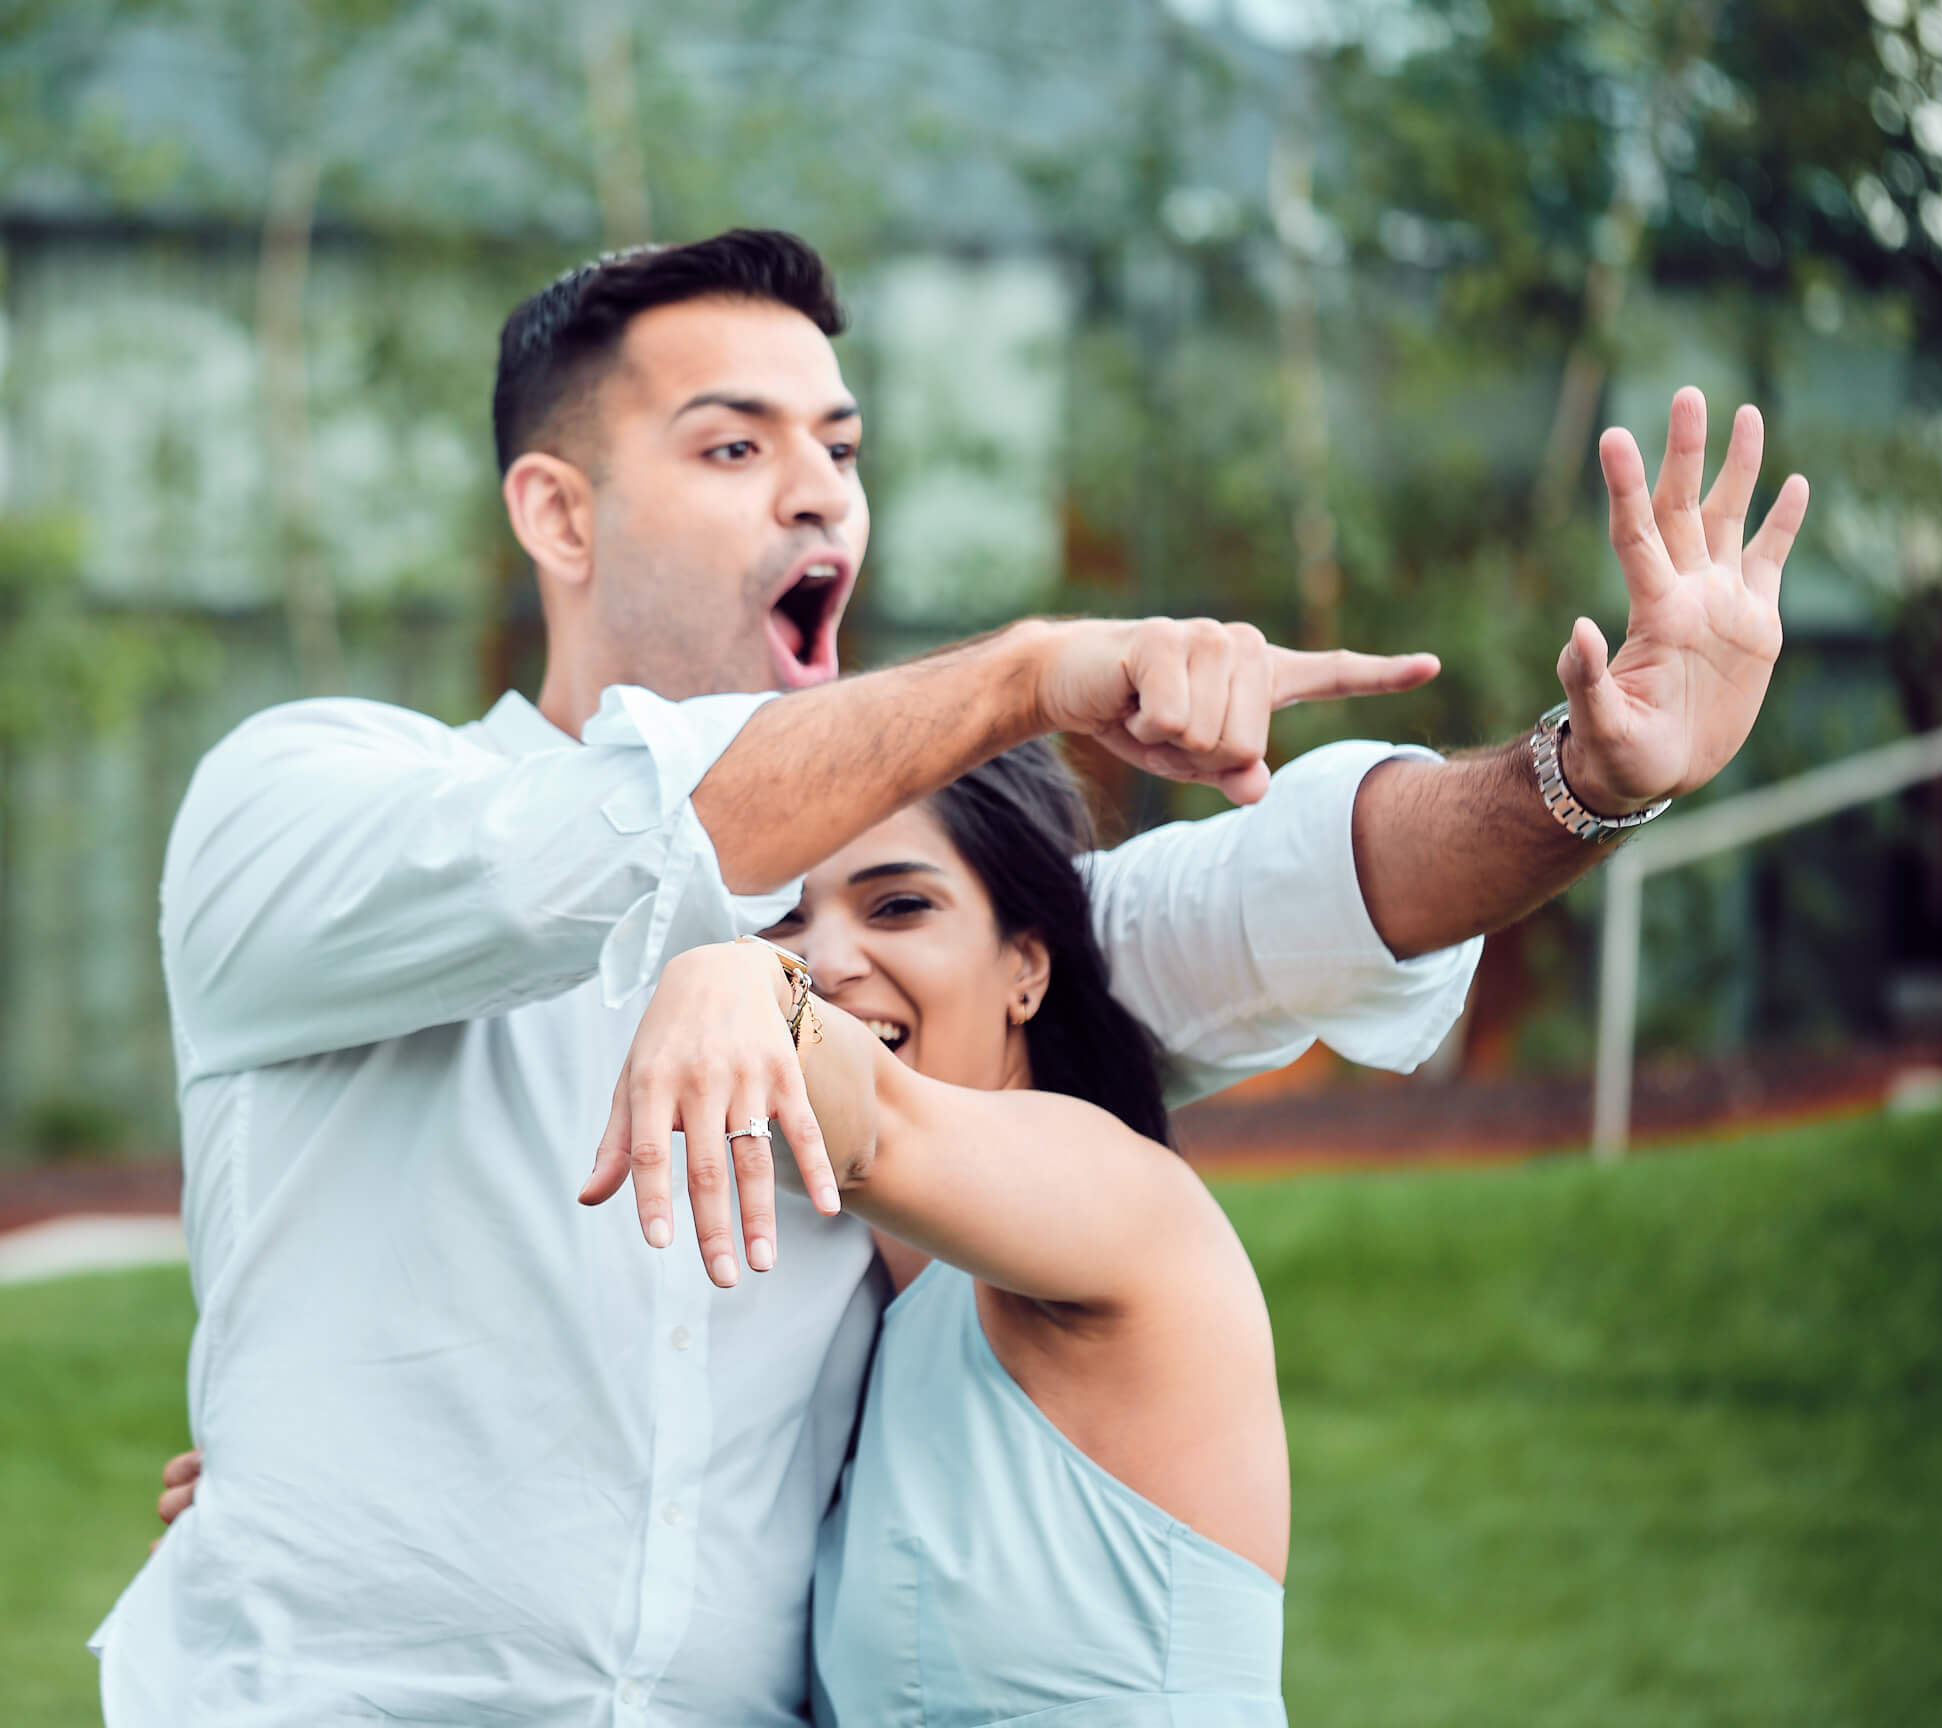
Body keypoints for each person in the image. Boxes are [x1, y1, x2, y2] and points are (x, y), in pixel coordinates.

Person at [107, 228, 1807, 1725]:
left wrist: (1588, 779)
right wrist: (1023, 674)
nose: (816, 488)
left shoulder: (895, 966)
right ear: (556, 510)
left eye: (839, 446)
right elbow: (606, 842)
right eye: (733, 443)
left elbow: (1301, 892)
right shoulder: (315, 799)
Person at [585, 740, 1294, 1723]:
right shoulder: (875, 1331)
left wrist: (743, 978)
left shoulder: (1121, 1197)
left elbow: (885, 1128)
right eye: (785, 917)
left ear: (1025, 970)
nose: (825, 960)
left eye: (898, 906)